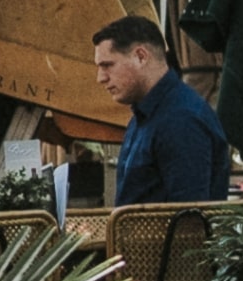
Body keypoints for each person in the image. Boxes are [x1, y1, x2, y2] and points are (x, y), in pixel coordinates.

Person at [92, 16, 229, 204]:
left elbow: (190, 221)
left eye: (107, 65)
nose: (101, 78)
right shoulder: (144, 116)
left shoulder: (182, 120)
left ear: (141, 56)